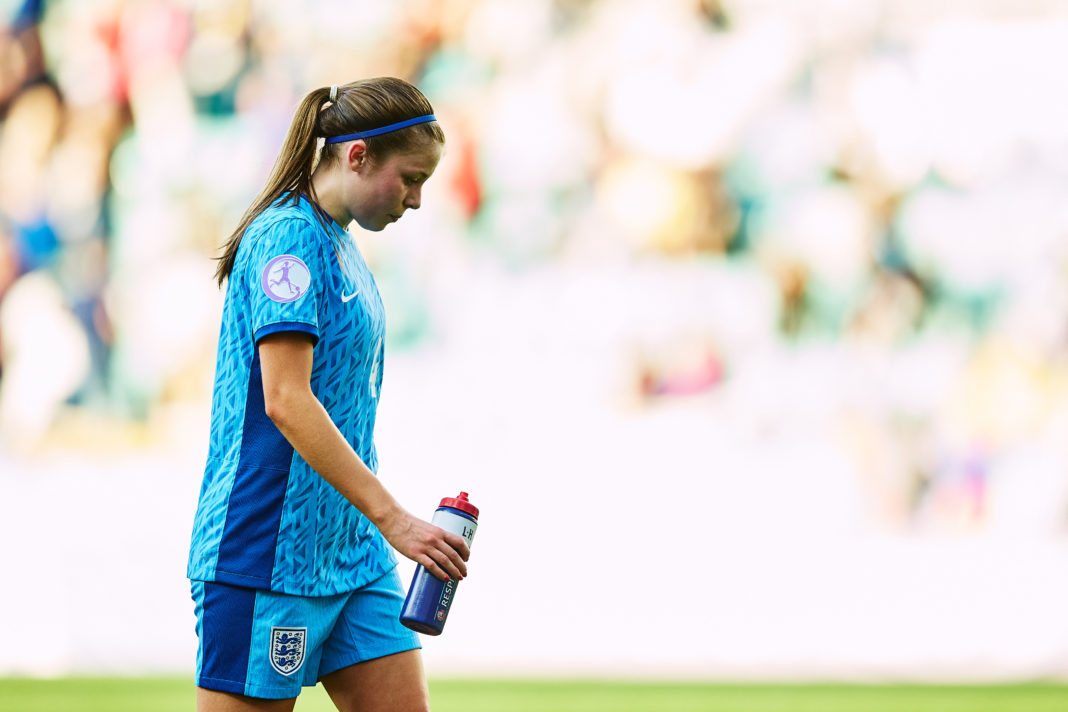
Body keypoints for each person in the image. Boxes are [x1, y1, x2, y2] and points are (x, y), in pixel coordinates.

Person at [187, 77, 470, 712]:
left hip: (351, 552)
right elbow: (286, 400)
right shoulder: (288, 240)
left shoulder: (339, 243)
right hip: (266, 552)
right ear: (358, 155)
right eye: (410, 178)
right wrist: (395, 519)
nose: (418, 200)